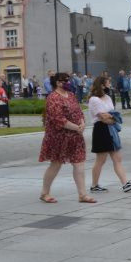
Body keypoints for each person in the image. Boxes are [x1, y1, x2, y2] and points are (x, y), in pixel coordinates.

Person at [39, 72, 94, 204]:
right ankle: (44, 192)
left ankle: (82, 194)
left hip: (76, 137)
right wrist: (76, 127)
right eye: (66, 81)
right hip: (59, 138)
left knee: (79, 163)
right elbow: (58, 119)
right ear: (58, 82)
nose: (69, 83)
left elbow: (79, 111)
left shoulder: (71, 95)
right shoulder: (53, 98)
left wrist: (82, 123)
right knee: (56, 164)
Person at [88, 73, 131, 194]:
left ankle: (125, 183)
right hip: (101, 130)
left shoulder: (108, 97)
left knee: (117, 158)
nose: (110, 84)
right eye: (108, 82)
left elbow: (113, 114)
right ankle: (94, 185)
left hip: (112, 130)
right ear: (102, 85)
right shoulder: (94, 99)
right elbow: (103, 118)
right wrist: (112, 117)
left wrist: (112, 117)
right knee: (101, 159)